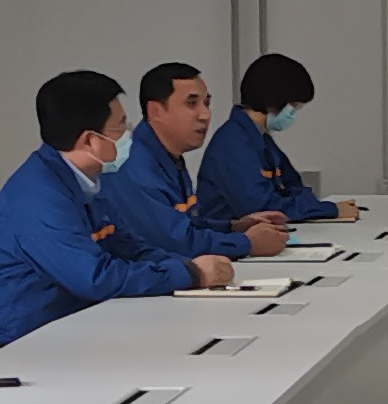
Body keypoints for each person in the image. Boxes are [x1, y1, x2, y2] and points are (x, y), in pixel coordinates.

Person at [0, 71, 238, 346]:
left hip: (59, 330)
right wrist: (191, 275)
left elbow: (126, 246)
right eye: (120, 127)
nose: (129, 135)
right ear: (90, 140)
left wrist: (185, 266)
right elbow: (96, 278)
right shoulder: (38, 197)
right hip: (4, 345)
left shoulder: (85, 182)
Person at [110, 63, 285, 264]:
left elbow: (187, 224)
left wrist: (232, 227)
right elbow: (175, 243)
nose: (205, 115)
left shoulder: (168, 156)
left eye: (206, 103)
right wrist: (246, 243)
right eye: (191, 103)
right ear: (155, 111)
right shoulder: (134, 166)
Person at [200, 53, 358, 227]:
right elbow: (262, 208)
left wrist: (315, 207)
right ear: (274, 100)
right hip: (230, 239)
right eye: (293, 107)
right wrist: (329, 210)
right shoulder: (232, 145)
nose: (293, 114)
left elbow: (294, 186)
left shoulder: (261, 139)